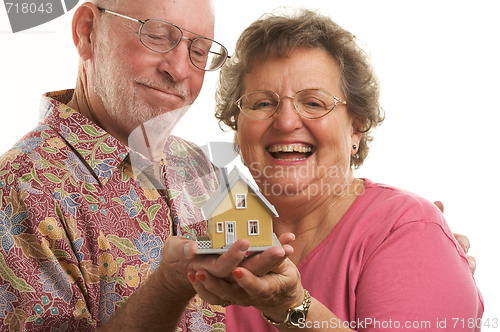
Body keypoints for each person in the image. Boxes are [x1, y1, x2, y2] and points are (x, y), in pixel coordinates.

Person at [0, 0, 294, 331]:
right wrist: (170, 285)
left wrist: (287, 301)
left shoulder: (204, 169)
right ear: (87, 32)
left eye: (199, 51)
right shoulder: (19, 189)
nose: (180, 70)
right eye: (155, 35)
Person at [188, 8, 484, 331]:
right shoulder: (222, 248)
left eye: (314, 103)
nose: (286, 121)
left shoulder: (410, 231)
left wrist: (292, 308)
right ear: (238, 127)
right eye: (262, 103)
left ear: (356, 128)